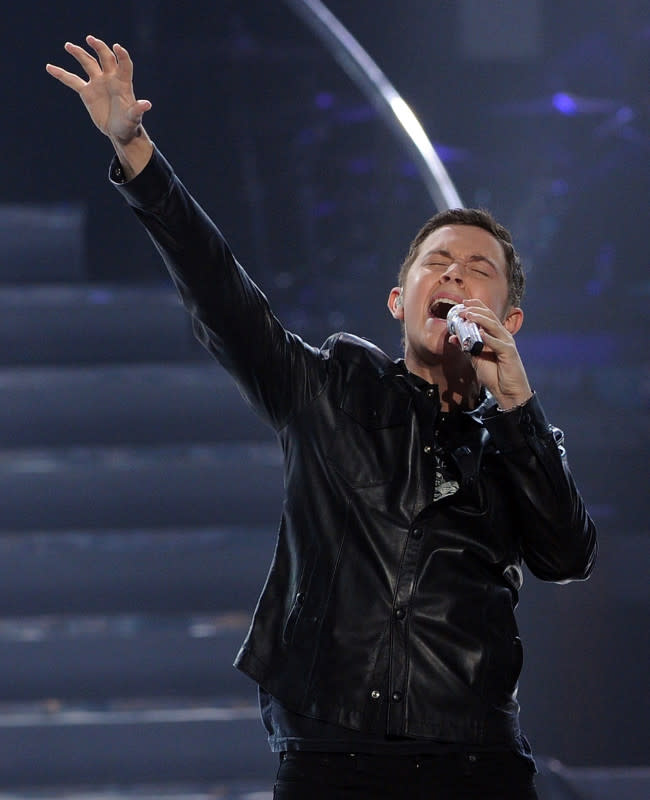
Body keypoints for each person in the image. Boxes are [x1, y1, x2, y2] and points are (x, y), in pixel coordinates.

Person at [47, 36, 597, 800]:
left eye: (478, 270)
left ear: (509, 317)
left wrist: (517, 403)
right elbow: (220, 291)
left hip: (474, 758)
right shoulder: (330, 390)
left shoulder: (517, 438)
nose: (454, 273)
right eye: (436, 261)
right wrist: (136, 149)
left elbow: (568, 552)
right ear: (399, 303)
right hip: (331, 753)